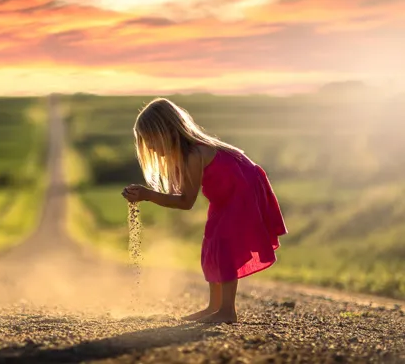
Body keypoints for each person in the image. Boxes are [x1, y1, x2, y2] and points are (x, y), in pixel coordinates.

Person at [121, 97, 288, 324]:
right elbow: (182, 196)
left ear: (169, 131)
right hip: (224, 197)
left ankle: (227, 310)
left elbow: (185, 202)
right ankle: (214, 306)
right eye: (145, 141)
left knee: (224, 243)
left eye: (151, 139)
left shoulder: (194, 155)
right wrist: (144, 194)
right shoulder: (186, 155)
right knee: (210, 243)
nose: (149, 146)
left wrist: (147, 195)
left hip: (242, 190)